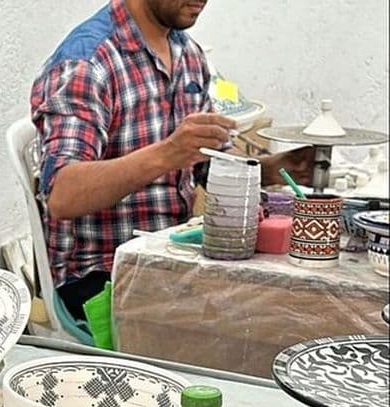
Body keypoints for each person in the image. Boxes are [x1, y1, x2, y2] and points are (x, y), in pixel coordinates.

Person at [30, 0, 314, 320]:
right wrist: (166, 154)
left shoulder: (187, 53)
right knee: (259, 322)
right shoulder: (87, 62)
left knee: (295, 300)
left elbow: (207, 159)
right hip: (99, 281)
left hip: (169, 261)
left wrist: (269, 169)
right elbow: (62, 195)